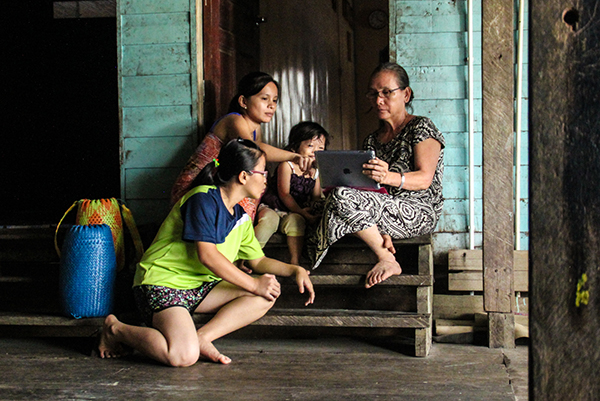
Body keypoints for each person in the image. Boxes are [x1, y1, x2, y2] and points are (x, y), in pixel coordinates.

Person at [98, 138, 315, 367]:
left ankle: (203, 337)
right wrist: (253, 284)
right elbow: (207, 255)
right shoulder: (203, 198)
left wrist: (295, 270)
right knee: (182, 356)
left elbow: (258, 260)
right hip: (164, 283)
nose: (266, 180)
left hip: (200, 288)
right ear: (243, 176)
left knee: (265, 294)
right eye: (263, 173)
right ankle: (115, 329)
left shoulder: (239, 215)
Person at [310, 62, 445, 289]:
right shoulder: (372, 140)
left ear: (406, 94)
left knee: (342, 197)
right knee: (326, 201)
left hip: (418, 209)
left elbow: (424, 179)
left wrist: (389, 177)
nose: (378, 100)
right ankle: (380, 242)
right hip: (383, 207)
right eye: (373, 94)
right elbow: (368, 189)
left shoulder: (421, 128)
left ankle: (387, 259)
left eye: (386, 93)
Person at [170, 72, 312, 220]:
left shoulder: (256, 128)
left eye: (275, 100)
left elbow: (258, 160)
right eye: (264, 98)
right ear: (243, 101)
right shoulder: (233, 120)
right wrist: (295, 156)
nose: (272, 105)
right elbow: (254, 150)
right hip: (196, 189)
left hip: (222, 186)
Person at [255, 122, 330, 264]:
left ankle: (295, 262)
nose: (315, 151)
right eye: (310, 146)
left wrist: (312, 211)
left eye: (320, 148)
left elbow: (315, 197)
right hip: (273, 207)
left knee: (297, 222)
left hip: (294, 212)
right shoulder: (287, 165)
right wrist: (302, 212)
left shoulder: (315, 172)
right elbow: (284, 194)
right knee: (269, 222)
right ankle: (246, 258)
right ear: (295, 146)